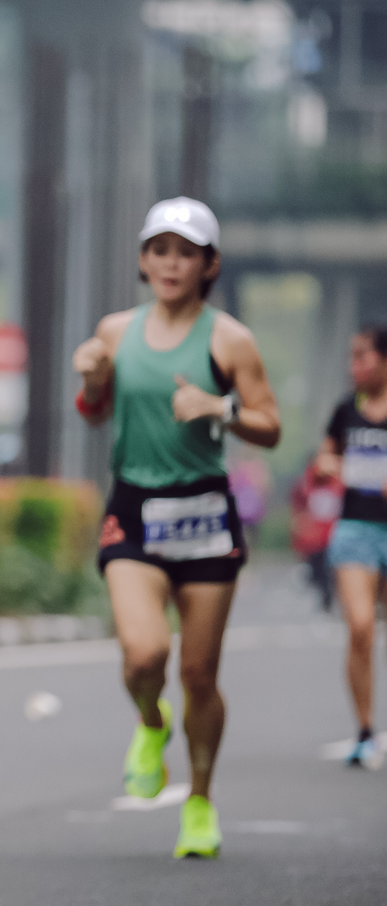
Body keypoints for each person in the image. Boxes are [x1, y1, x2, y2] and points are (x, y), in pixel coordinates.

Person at [73, 197, 281, 859]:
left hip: (205, 517)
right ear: (143, 259)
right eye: (160, 250)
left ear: (208, 265)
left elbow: (270, 425)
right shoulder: (114, 331)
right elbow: (93, 413)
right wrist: (93, 382)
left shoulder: (230, 339)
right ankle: (149, 720)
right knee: (143, 656)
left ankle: (200, 800)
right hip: (135, 510)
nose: (171, 264)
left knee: (198, 673)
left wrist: (220, 407)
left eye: (186, 253)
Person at [313, 326, 387, 768]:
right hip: (356, 527)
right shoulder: (345, 410)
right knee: (360, 627)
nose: (353, 366)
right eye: (351, 357)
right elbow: (324, 457)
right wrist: (332, 465)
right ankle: (364, 729)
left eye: (362, 356)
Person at [289, 455, 341, 613]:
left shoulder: (338, 482)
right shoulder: (307, 483)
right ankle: (323, 592)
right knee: (317, 567)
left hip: (332, 534)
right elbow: (299, 507)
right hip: (314, 536)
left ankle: (329, 593)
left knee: (330, 568)